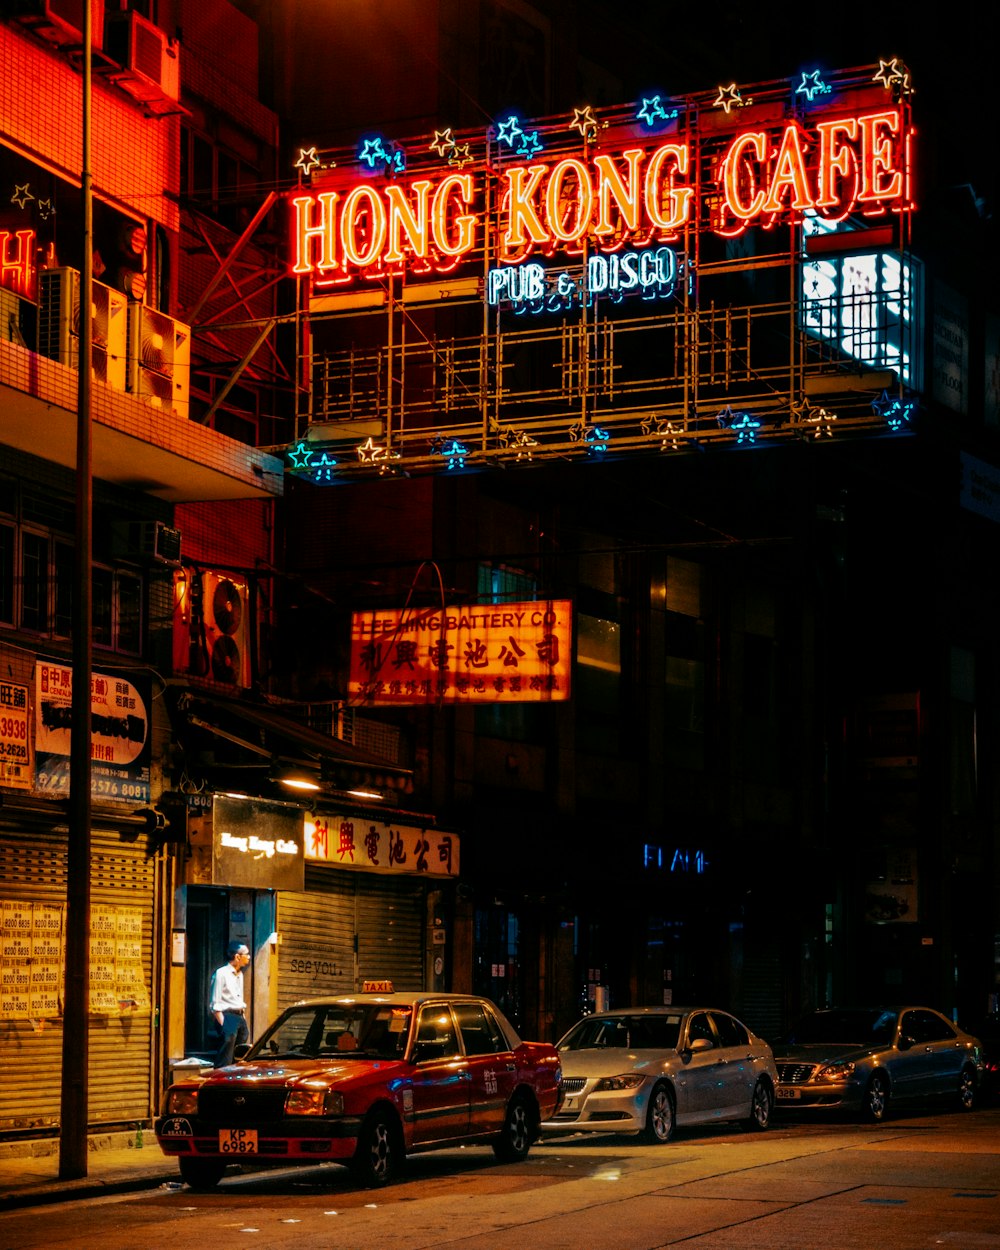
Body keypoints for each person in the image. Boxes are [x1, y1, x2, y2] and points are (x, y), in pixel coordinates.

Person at [210, 940, 250, 1067]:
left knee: (239, 1054)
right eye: (246, 954)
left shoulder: (240, 975)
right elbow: (215, 1002)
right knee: (225, 1056)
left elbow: (238, 998)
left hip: (239, 1016)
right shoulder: (221, 973)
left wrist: (243, 1018)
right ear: (237, 957)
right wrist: (223, 1024)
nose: (248, 957)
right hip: (228, 1017)